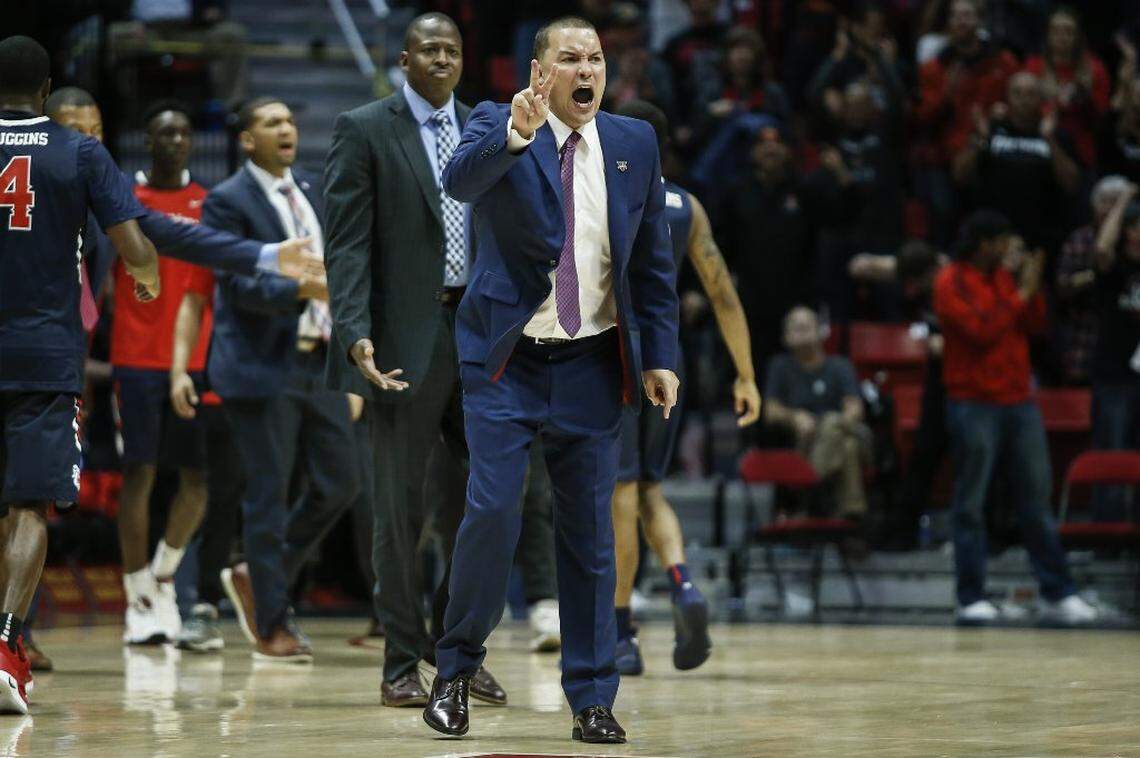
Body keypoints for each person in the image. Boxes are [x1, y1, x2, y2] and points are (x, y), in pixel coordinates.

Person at [423, 16, 679, 744]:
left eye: (595, 57)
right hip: (508, 360)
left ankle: (593, 697)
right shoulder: (497, 121)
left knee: (590, 537)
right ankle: (455, 669)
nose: (585, 69)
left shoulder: (635, 143)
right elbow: (459, 180)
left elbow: (653, 265)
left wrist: (660, 355)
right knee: (495, 512)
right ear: (540, 71)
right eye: (570, 58)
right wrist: (515, 133)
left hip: (593, 363)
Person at [322, 13, 506, 708]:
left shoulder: (487, 128)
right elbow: (346, 243)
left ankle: (455, 647)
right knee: (397, 510)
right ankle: (401, 659)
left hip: (482, 335)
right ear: (404, 58)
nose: (441, 58)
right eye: (429, 48)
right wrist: (355, 329)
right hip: (403, 336)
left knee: (493, 500)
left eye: (453, 49)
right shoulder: (365, 128)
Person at [0, 35, 159, 715]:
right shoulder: (81, 152)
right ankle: (7, 646)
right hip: (44, 351)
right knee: (30, 504)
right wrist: (147, 271)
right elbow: (131, 244)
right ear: (45, 93)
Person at [609, 100, 761, 677]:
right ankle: (683, 582)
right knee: (650, 490)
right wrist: (746, 374)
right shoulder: (686, 206)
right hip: (670, 360)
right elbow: (723, 294)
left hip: (618, 355)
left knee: (620, 496)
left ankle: (621, 629)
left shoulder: (608, 194)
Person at [204, 97, 356, 663]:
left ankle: (258, 574)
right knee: (268, 495)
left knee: (343, 482)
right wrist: (302, 290)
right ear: (247, 139)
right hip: (262, 364)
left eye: (291, 120)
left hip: (320, 361)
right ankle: (271, 622)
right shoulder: (227, 202)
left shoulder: (312, 191)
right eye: (271, 122)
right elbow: (237, 285)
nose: (286, 128)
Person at [932, 210, 1098, 625]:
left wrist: (1032, 287)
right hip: (972, 402)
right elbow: (980, 331)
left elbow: (1036, 324)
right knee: (970, 504)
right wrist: (1020, 293)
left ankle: (1056, 592)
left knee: (1036, 502)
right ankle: (969, 596)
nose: (1010, 250)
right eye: (1004, 241)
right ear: (984, 243)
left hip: (1019, 400)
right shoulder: (950, 280)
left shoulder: (1007, 279)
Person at [110, 100, 215, 645]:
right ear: (147, 142)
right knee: (140, 475)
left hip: (195, 362)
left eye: (182, 132)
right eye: (163, 133)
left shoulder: (208, 202)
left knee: (197, 480)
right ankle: (137, 599)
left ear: (191, 141)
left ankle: (164, 576)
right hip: (135, 357)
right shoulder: (125, 199)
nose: (174, 141)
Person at [914, 0, 1019, 243]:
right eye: (955, 16)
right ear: (948, 22)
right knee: (944, 217)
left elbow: (1019, 97)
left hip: (992, 151)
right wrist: (945, 96)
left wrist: (1004, 113)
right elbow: (921, 118)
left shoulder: (1002, 62)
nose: (961, 21)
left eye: (967, 15)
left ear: (979, 21)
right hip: (943, 156)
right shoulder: (934, 67)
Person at [952, 71, 1081, 257]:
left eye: (1030, 94)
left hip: (1042, 233)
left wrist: (1050, 141)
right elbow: (960, 176)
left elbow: (1072, 184)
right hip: (994, 235)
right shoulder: (992, 130)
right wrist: (980, 140)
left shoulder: (1056, 136)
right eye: (1017, 93)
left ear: (1040, 99)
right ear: (1007, 98)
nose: (1023, 100)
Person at [763, 307, 871, 520]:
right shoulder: (780, 367)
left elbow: (855, 409)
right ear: (785, 337)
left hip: (852, 438)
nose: (802, 329)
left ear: (821, 331)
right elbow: (770, 411)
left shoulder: (840, 365)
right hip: (805, 442)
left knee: (833, 424)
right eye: (796, 327)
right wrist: (794, 417)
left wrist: (829, 427)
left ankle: (806, 486)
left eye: (807, 325)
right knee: (847, 447)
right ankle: (851, 519)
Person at [1089, 185, 1140, 521]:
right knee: (1112, 450)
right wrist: (1123, 202)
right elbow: (1102, 249)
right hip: (1115, 375)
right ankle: (1107, 529)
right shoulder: (1114, 269)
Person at [1056, 175, 1131, 385]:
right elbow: (1062, 287)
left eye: (1117, 202)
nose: (1110, 209)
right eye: (1105, 202)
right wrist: (1097, 275)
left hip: (1129, 345)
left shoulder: (1134, 241)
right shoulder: (1080, 240)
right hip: (1085, 337)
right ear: (1093, 206)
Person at [1023, 7, 1110, 168]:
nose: (1061, 37)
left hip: (1080, 151)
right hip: (1037, 147)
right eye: (1055, 31)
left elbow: (1102, 120)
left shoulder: (1095, 69)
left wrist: (1082, 97)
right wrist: (1058, 103)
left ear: (1078, 36)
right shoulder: (1034, 66)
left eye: (1068, 31)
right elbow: (1022, 109)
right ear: (1047, 35)